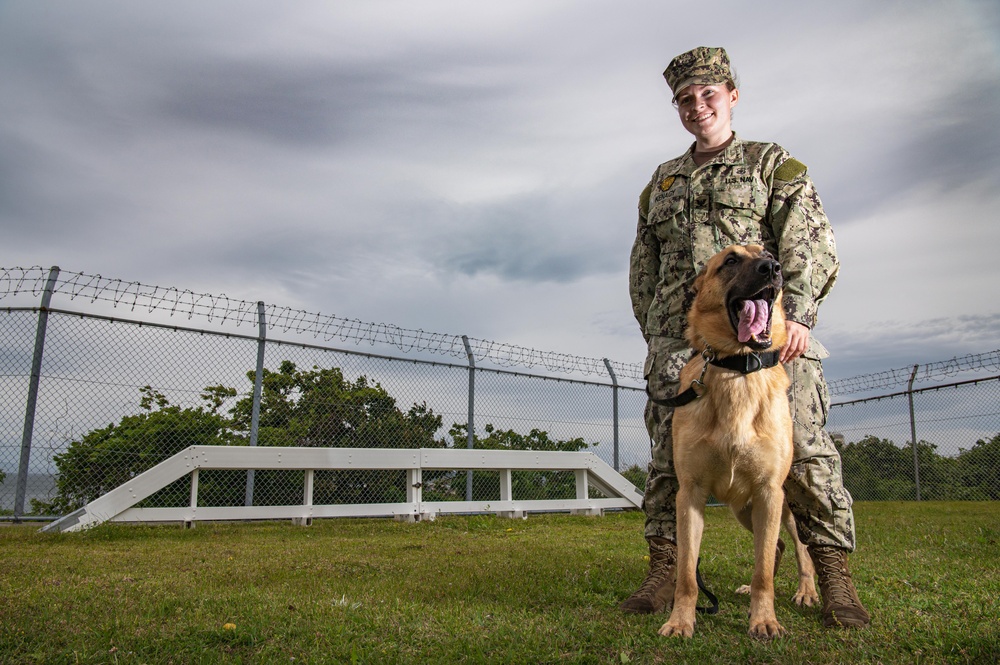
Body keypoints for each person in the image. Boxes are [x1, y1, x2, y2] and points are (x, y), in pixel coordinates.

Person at [622, 46, 870, 629]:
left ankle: (830, 572)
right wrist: (658, 334)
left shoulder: (770, 164)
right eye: (685, 98)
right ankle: (665, 571)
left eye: (708, 93)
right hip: (680, 346)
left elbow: (809, 240)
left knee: (804, 452)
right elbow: (644, 266)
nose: (697, 106)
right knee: (668, 464)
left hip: (769, 339)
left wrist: (800, 317)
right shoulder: (661, 183)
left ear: (731, 96)